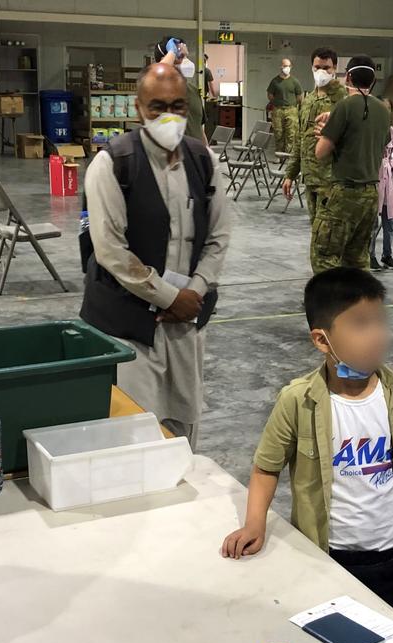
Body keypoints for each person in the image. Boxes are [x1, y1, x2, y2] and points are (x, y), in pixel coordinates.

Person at [222, 268, 393, 617]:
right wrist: (254, 523)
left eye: (380, 321)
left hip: (389, 557)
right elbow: (266, 466)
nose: (378, 335)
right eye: (360, 324)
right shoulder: (298, 400)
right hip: (324, 554)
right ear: (322, 340)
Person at [79, 62, 229, 449]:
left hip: (185, 325)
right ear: (138, 108)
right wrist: (168, 296)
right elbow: (111, 251)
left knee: (184, 431)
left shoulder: (204, 162)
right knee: (134, 436)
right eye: (157, 106)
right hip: (130, 330)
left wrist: (193, 292)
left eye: (178, 106)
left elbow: (217, 236)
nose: (169, 116)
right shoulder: (113, 164)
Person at [312, 55, 392, 273]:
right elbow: (374, 141)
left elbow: (320, 153)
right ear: (373, 80)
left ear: (348, 76)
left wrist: (324, 135)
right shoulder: (384, 110)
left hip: (345, 192)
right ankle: (358, 302)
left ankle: (330, 303)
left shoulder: (344, 106)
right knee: (358, 256)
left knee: (325, 253)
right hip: (370, 193)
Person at [282, 47, 345, 227]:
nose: (321, 72)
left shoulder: (343, 100)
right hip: (310, 178)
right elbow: (300, 139)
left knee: (329, 237)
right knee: (317, 234)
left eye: (327, 68)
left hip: (332, 180)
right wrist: (290, 174)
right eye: (317, 67)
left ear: (335, 69)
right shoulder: (309, 99)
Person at [154, 36, 207, 144]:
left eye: (185, 56)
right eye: (181, 56)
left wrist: (207, 153)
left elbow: (199, 129)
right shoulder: (161, 89)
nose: (185, 61)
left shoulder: (193, 90)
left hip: (195, 157)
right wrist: (173, 52)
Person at [369, 137, 393, 270]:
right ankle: (370, 256)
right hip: (375, 179)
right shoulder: (371, 130)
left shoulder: (391, 131)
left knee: (389, 223)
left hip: (388, 182)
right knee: (373, 224)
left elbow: (391, 156)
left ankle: (387, 255)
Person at [267, 57, 303, 155]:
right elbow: (270, 95)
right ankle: (279, 155)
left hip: (291, 110)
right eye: (285, 66)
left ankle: (289, 156)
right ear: (281, 67)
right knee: (278, 133)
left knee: (291, 134)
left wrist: (294, 106)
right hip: (278, 110)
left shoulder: (295, 81)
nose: (287, 68)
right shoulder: (275, 81)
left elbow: (299, 97)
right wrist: (277, 102)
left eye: (288, 66)